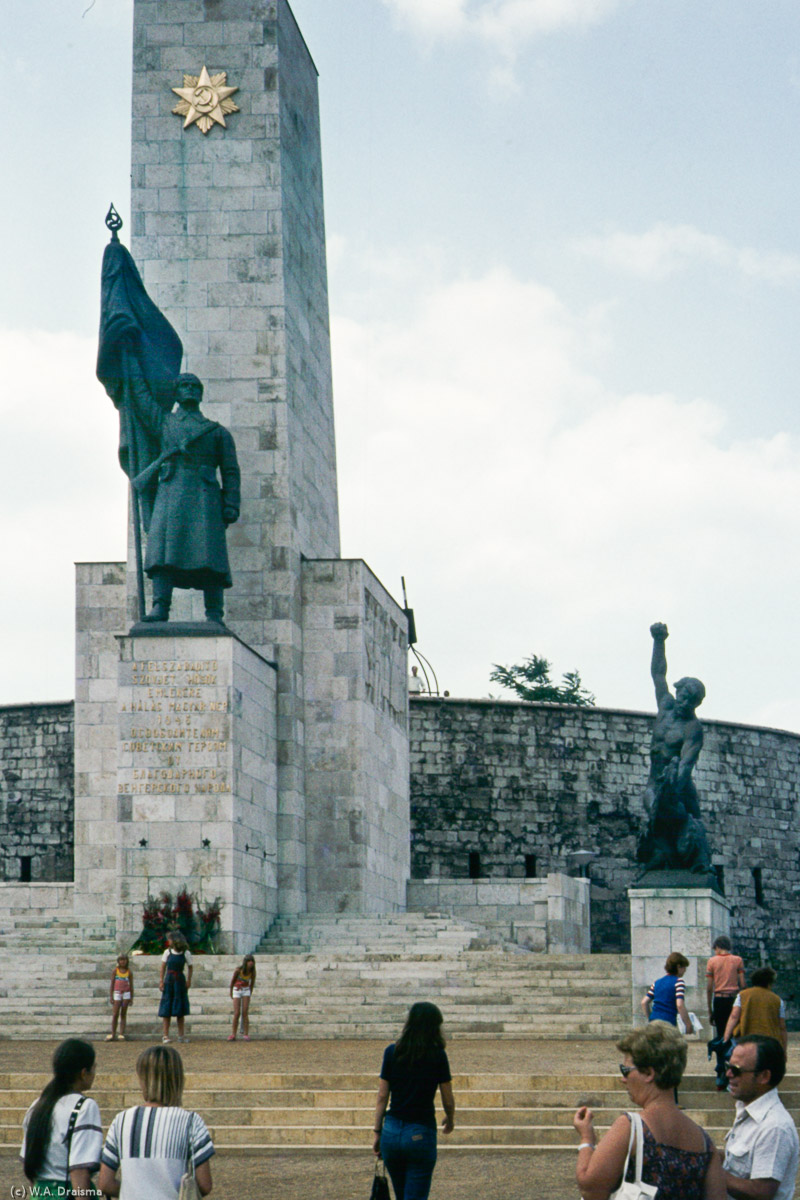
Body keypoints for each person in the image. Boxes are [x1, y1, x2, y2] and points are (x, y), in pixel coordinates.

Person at [131, 371, 241, 625]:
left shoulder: (217, 432)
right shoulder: (164, 422)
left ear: (200, 394)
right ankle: (160, 607)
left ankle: (214, 613)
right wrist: (133, 366)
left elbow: (231, 471)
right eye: (185, 385)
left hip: (206, 499)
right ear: (177, 393)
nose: (190, 389)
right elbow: (141, 400)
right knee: (163, 554)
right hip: (171, 495)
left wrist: (231, 504)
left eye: (195, 386)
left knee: (210, 556)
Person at [574, 1021, 726, 1200]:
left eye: (626, 1070)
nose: (623, 1079)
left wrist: (586, 1139)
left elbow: (590, 1189)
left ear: (648, 1073)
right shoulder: (705, 1143)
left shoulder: (631, 1127)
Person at [637, 622, 713, 875]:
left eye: (691, 701)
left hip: (678, 785)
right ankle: (662, 861)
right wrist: (659, 641)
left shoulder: (693, 728)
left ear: (696, 704)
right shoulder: (666, 707)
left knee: (691, 826)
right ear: (678, 693)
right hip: (654, 783)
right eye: (683, 697)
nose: (684, 703)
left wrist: (672, 794)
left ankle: (699, 865)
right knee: (654, 820)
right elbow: (658, 675)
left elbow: (685, 765)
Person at [98, 1044, 214, 1199]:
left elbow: (105, 1183)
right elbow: (205, 1184)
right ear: (178, 1080)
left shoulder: (122, 1120)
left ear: (143, 1079)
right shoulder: (191, 1122)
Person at [373, 1001, 455, 1200]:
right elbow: (447, 1097)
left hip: (391, 1131)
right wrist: (450, 1117)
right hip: (420, 1130)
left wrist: (377, 1132)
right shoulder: (437, 1055)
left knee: (402, 1195)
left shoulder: (392, 1051)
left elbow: (382, 1096)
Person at [20, 1038, 103, 1198]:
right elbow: (79, 1170)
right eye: (93, 1068)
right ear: (83, 1073)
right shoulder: (84, 1107)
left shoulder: (37, 1106)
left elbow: (29, 1164)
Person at [722, 1035, 799, 1200]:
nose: (728, 1074)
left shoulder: (774, 1126)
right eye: (727, 1066)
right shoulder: (747, 1111)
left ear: (764, 1076)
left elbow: (761, 1191)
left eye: (736, 1070)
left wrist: (711, 1171)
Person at [707, 935, 746, 1088]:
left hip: (719, 999)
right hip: (734, 1000)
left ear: (717, 947)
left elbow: (710, 987)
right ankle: (735, 1070)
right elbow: (742, 984)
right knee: (735, 1035)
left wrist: (710, 1011)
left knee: (721, 1037)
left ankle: (721, 1074)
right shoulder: (737, 960)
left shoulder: (712, 961)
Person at [723, 968, 788, 1054]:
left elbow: (734, 1016)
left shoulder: (742, 995)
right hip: (769, 1040)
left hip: (746, 1038)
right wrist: (783, 1050)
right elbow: (782, 1026)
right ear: (770, 983)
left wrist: (726, 1038)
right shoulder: (777, 1000)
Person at [159, 931, 193, 1043]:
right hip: (169, 980)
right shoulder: (167, 952)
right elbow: (163, 967)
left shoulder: (185, 953)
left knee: (180, 1010)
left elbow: (190, 967)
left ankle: (181, 1035)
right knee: (167, 1008)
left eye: (170, 939)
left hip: (179, 981)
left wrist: (188, 980)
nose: (168, 941)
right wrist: (161, 981)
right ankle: (165, 1035)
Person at [642, 952, 691, 1029]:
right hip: (668, 1022)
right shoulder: (678, 982)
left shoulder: (657, 982)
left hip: (654, 1021)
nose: (685, 970)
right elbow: (680, 1005)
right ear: (678, 967)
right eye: (684, 967)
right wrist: (688, 1024)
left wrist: (650, 1018)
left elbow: (644, 1002)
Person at [107, 952, 135, 1041]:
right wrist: (111, 996)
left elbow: (131, 985)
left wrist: (131, 997)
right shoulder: (115, 971)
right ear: (118, 961)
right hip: (117, 992)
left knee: (123, 1013)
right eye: (121, 960)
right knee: (115, 1014)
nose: (123, 962)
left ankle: (121, 1033)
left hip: (126, 993)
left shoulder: (129, 972)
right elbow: (112, 983)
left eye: (124, 960)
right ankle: (113, 1033)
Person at [228, 954, 256, 1041]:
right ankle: (233, 1034)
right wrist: (231, 992)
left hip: (246, 990)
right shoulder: (238, 970)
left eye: (252, 961)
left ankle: (246, 1033)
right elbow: (232, 981)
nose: (250, 963)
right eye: (249, 961)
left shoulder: (252, 972)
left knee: (245, 1012)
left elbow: (252, 983)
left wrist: (249, 993)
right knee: (237, 1013)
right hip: (237, 989)